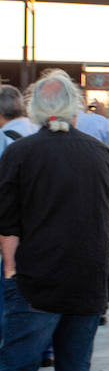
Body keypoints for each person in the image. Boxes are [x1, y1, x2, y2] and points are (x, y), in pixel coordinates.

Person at [0, 71, 109, 371]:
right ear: (74, 110)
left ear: (34, 110)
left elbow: (6, 221)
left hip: (32, 284)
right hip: (85, 286)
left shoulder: (19, 153)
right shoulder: (102, 155)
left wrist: (10, 267)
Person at [0, 85, 40, 345]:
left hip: (10, 230)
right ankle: (44, 348)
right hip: (41, 229)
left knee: (9, 287)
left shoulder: (3, 139)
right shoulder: (41, 133)